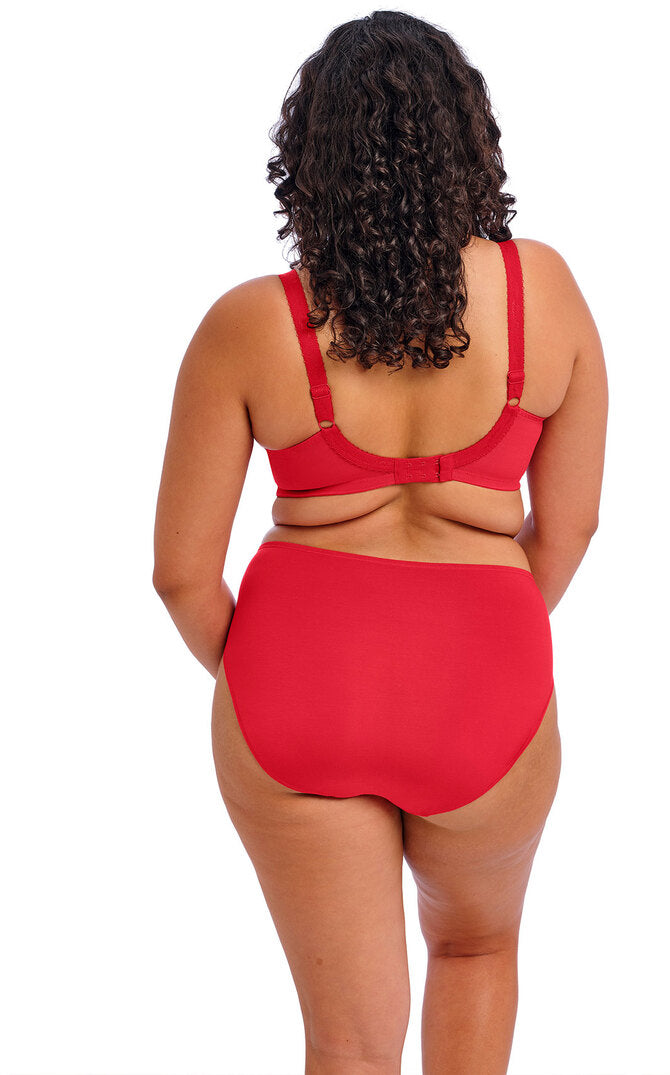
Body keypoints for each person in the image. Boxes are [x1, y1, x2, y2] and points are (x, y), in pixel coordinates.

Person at [153, 10, 608, 1074]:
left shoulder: (248, 324)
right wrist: (476, 635)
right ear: (470, 140)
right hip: (484, 682)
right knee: (476, 947)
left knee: (348, 1045)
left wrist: (275, 672)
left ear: (310, 157)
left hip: (298, 684)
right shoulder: (544, 294)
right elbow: (572, 525)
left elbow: (179, 572)